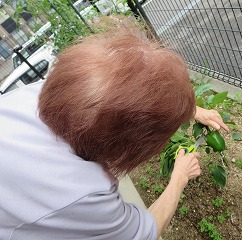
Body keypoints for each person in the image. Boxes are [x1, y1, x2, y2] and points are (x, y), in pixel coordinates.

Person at [0, 24, 228, 240]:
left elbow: (105, 98)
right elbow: (144, 233)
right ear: (129, 148)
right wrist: (179, 178)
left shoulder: (35, 95)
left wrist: (186, 109)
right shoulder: (82, 194)